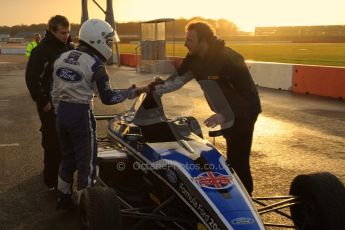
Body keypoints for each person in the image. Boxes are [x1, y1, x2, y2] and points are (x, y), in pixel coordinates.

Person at [146, 21, 261, 195]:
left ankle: (246, 202)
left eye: (190, 40)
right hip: (225, 113)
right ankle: (229, 195)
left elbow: (250, 97)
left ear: (204, 41)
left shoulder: (230, 59)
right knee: (230, 158)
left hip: (245, 113)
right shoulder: (194, 59)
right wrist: (153, 89)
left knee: (238, 161)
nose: (185, 43)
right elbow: (177, 80)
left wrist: (224, 115)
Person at [51, 18, 144, 209]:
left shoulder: (62, 58)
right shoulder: (96, 66)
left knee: (67, 158)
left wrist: (59, 112)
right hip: (80, 115)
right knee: (87, 164)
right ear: (97, 40)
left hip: (61, 114)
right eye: (108, 41)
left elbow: (54, 92)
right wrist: (131, 91)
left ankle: (63, 197)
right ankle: (86, 207)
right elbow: (108, 98)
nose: (110, 44)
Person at [25, 15, 74, 190]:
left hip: (68, 103)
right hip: (49, 105)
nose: (66, 35)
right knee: (52, 141)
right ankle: (51, 181)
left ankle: (64, 178)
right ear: (52, 30)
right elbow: (31, 78)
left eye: (68, 32)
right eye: (62, 32)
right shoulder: (42, 50)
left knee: (67, 142)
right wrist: (43, 102)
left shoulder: (69, 47)